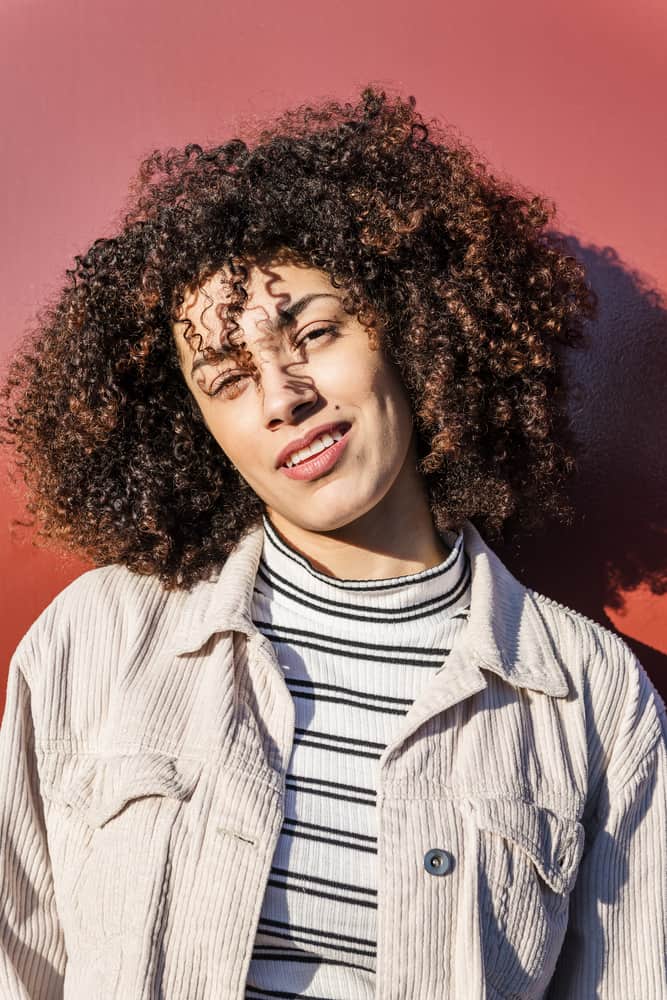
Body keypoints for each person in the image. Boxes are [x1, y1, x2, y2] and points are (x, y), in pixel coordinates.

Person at [0, 87, 664, 1000]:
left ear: (409, 331)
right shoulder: (95, 641)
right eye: (228, 379)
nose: (282, 397)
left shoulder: (590, 697)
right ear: (195, 428)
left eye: (313, 333)